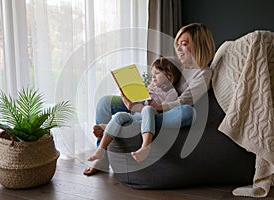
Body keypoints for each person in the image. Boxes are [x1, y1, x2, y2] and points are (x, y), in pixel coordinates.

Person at [83, 23, 215, 176]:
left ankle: (124, 125)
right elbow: (153, 80)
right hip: (146, 104)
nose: (178, 49)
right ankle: (102, 157)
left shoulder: (204, 73)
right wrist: (132, 97)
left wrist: (155, 107)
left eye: (184, 44)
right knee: (105, 102)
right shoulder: (175, 62)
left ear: (199, 46)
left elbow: (185, 101)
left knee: (187, 112)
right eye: (177, 44)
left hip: (166, 111)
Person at [87, 57, 181, 165]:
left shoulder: (171, 92)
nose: (153, 76)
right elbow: (140, 101)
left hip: (148, 115)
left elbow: (164, 109)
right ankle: (101, 150)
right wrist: (129, 97)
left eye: (157, 73)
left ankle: (145, 146)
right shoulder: (151, 87)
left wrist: (152, 105)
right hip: (135, 115)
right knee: (119, 115)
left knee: (147, 109)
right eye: (152, 73)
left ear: (169, 75)